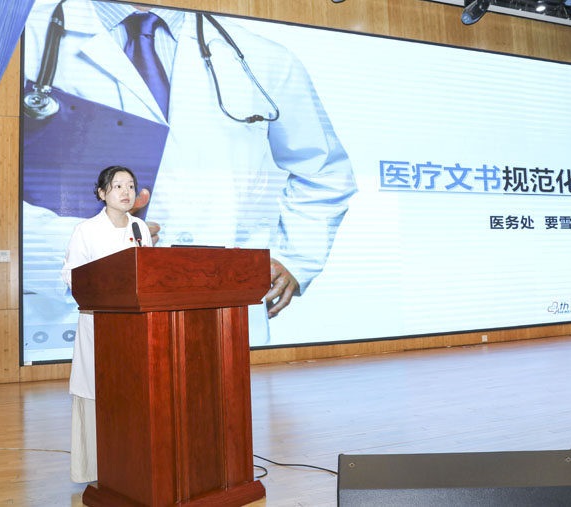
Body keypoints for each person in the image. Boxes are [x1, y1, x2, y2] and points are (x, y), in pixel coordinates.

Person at [22, 0, 357, 350]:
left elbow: (324, 170)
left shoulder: (262, 57)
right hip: (76, 313)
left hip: (221, 307)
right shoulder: (24, 38)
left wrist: (296, 258)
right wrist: (83, 245)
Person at [61, 166, 153, 483]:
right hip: (99, 324)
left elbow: (148, 272)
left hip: (136, 327)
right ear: (102, 193)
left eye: (131, 186)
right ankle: (98, 469)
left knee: (134, 393)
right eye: (117, 186)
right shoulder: (86, 230)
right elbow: (72, 275)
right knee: (99, 392)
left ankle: (131, 465)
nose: (126, 192)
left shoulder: (140, 228)